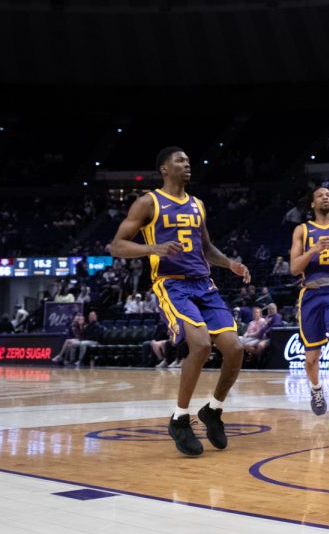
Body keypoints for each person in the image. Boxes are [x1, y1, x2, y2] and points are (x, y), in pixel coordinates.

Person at [110, 147, 251, 457]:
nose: (187, 164)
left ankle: (213, 410)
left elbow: (206, 248)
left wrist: (230, 264)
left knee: (235, 349)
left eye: (189, 160)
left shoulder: (197, 204)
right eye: (180, 160)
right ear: (164, 168)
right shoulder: (149, 203)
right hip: (172, 286)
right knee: (200, 345)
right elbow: (116, 246)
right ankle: (179, 418)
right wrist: (153, 249)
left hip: (205, 285)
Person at [289, 187, 329, 429]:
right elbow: (294, 268)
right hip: (311, 294)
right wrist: (314, 250)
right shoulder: (302, 230)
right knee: (311, 359)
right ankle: (316, 389)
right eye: (320, 195)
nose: (326, 197)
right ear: (313, 204)